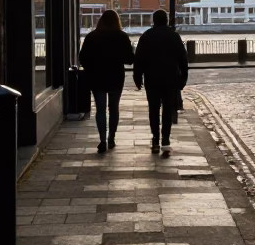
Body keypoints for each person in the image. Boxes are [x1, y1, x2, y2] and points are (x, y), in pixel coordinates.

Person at [134, 9, 189, 157]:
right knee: (167, 109)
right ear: (166, 20)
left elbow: (139, 59)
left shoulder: (146, 36)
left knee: (153, 109)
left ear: (154, 20)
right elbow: (183, 59)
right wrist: (183, 78)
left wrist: (137, 77)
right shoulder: (174, 36)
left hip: (152, 78)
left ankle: (155, 139)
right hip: (170, 78)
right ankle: (165, 139)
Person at [78, 9, 134, 153]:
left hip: (97, 78)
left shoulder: (92, 37)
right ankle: (112, 139)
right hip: (116, 77)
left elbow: (82, 58)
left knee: (100, 109)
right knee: (114, 108)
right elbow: (130, 59)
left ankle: (102, 140)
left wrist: (92, 67)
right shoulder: (122, 37)